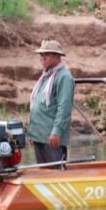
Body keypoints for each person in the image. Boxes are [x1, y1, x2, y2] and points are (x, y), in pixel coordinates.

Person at [28, 39, 75, 167]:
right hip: (40, 136)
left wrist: (56, 132)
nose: (42, 57)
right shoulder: (46, 76)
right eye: (41, 55)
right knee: (44, 174)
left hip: (52, 138)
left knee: (56, 173)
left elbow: (64, 107)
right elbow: (38, 106)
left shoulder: (64, 77)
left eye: (46, 54)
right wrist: (33, 133)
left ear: (57, 56)